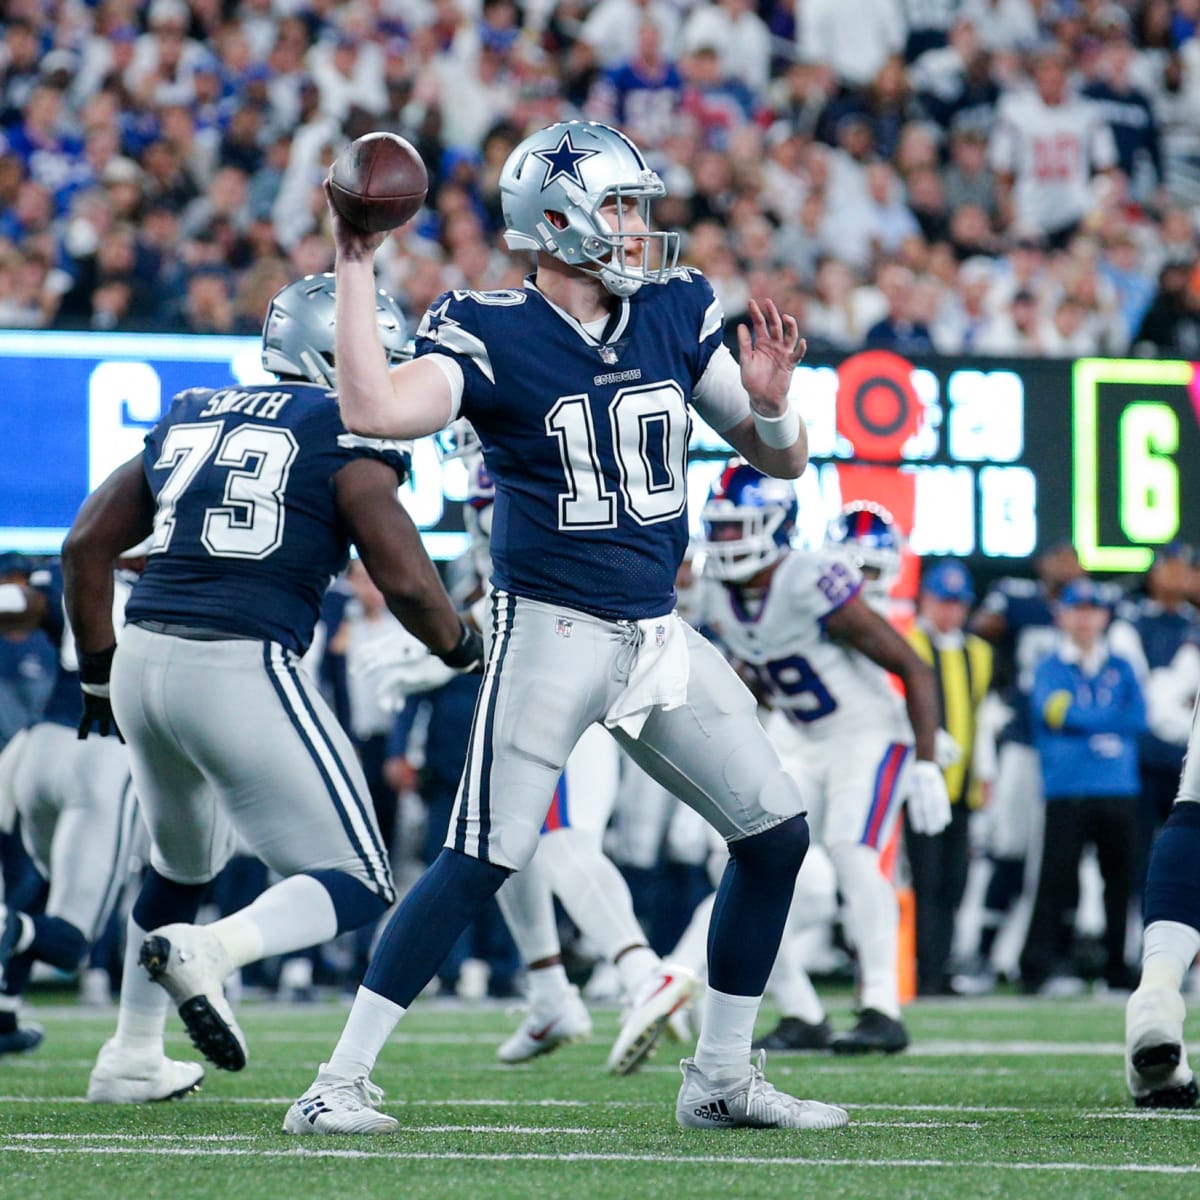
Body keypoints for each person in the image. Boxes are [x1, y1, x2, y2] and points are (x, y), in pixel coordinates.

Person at [285, 119, 849, 1134]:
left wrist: (769, 410)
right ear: (556, 221)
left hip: (657, 635)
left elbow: (783, 460)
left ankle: (719, 1079)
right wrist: (358, 258)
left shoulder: (676, 309)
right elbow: (371, 406)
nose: (639, 228)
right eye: (621, 207)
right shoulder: (491, 328)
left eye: (638, 207)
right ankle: (335, 1084)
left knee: (775, 836)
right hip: (550, 631)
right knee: (482, 857)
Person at [62, 272, 483, 1103]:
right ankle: (210, 952)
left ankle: (131, 1055)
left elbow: (84, 547)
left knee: (178, 865)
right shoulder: (340, 428)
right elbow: (401, 575)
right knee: (360, 877)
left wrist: (100, 676)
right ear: (330, 354)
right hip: (239, 657)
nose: (386, 377)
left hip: (144, 655)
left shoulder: (192, 411)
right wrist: (463, 644)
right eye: (375, 356)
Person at [698, 483, 950, 1054]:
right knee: (738, 856)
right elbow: (756, 682)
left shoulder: (809, 578)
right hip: (801, 736)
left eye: (738, 526)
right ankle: (801, 1010)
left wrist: (929, 758)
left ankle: (882, 1007)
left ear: (774, 526)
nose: (724, 539)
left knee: (853, 853)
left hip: (869, 733)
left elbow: (912, 666)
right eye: (720, 526)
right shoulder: (717, 593)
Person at [0, 558, 144, 1057]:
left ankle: (4, 1010)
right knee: (69, 938)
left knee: (34, 888)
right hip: (106, 757)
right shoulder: (183, 585)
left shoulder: (74, 574)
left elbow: (16, 604)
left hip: (38, 750)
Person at [1020, 578, 1146, 994]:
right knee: (1056, 880)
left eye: (1092, 610)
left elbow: (1138, 717)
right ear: (1062, 615)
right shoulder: (1049, 666)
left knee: (1120, 881)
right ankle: (1039, 967)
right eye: (1077, 609)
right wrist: (1106, 723)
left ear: (1105, 616)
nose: (1085, 618)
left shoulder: (1122, 665)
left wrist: (1086, 721)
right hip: (1068, 787)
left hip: (1118, 788)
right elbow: (1055, 714)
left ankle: (1117, 967)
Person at [906, 560, 993, 997]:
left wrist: (985, 775)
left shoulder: (979, 653)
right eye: (944, 600)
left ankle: (939, 968)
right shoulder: (908, 641)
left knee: (952, 883)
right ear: (926, 599)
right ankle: (919, 970)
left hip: (961, 787)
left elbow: (981, 718)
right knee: (923, 880)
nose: (950, 611)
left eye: (958, 603)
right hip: (915, 783)